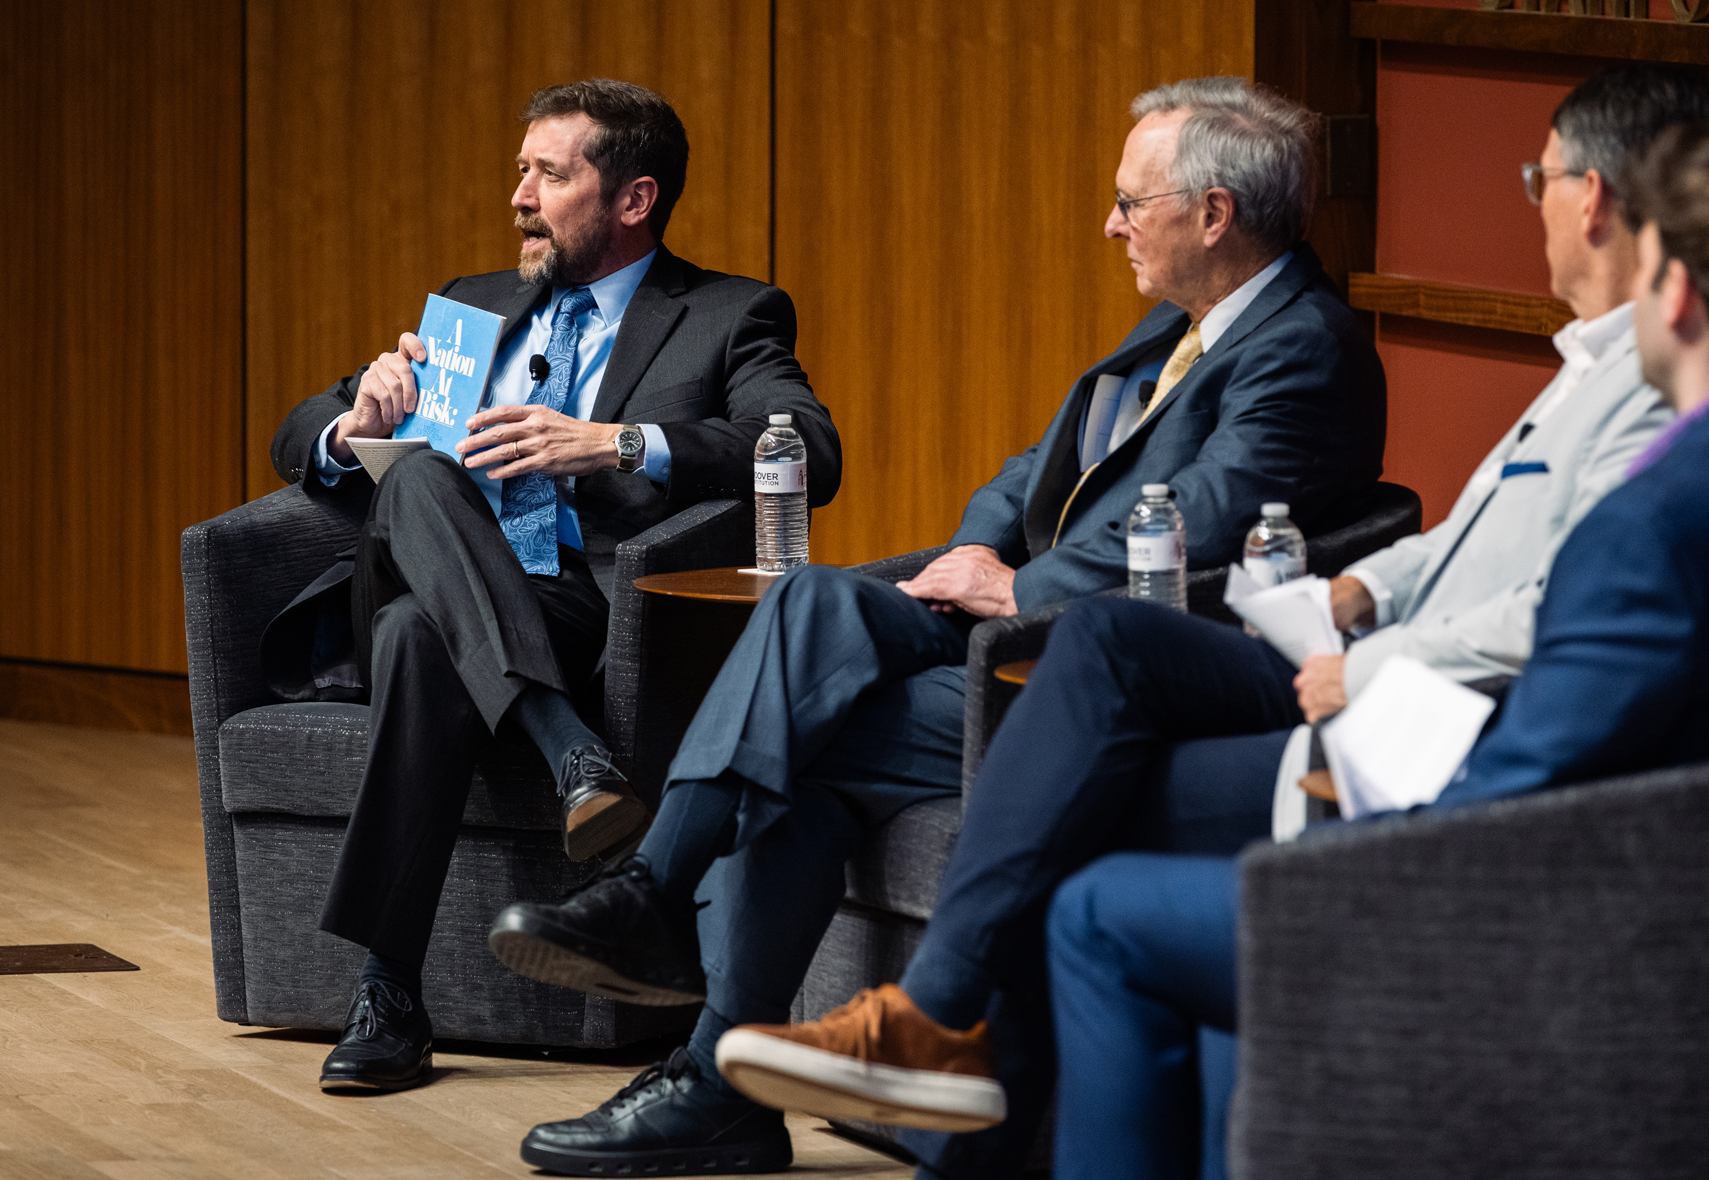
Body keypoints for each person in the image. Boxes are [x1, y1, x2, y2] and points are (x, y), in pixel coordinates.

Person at [705, 63, 1709, 1177]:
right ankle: (905, 1039)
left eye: (1534, 175)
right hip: (1379, 667)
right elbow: (1472, 542)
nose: (1527, 197)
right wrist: (1365, 587)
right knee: (1028, 706)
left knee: (1070, 752)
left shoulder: (1653, 390)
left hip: (1432, 723)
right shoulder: (1586, 363)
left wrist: (1376, 654)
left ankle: (922, 1023)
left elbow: (1574, 604)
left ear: (1588, 198)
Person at [486, 76, 1389, 1177]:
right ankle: (665, 929)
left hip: (1102, 665)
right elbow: (1025, 476)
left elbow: (1202, 517)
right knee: (811, 602)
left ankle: (700, 1031)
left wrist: (1023, 586)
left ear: (1212, 214)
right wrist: (982, 554)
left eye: (1127, 201)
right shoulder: (1177, 325)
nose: (1108, 223)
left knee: (799, 748)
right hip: (1022, 627)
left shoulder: (1307, 345)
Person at [1037, 119, 1709, 1178]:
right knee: (1230, 934)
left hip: (1587, 948)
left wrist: (1335, 809)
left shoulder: (1654, 524)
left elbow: (1517, 798)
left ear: (1681, 298)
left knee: (1103, 911)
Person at [264, 79, 841, 1095]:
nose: (520, 196)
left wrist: (614, 442)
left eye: (549, 173)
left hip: (579, 604)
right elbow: (291, 440)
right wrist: (355, 418)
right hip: (436, 557)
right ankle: (571, 753)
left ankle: (389, 992)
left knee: (413, 640)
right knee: (427, 481)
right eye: (520, 170)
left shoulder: (724, 313)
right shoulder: (475, 301)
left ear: (632, 199)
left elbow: (809, 450)